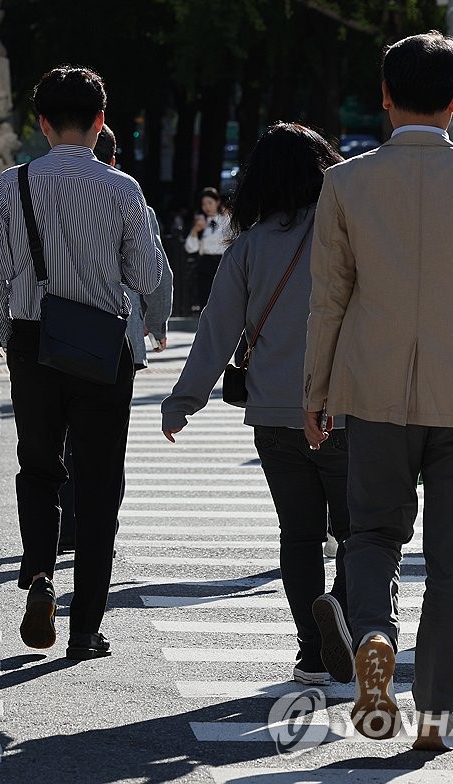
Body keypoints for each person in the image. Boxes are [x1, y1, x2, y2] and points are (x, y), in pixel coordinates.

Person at [304, 31, 453, 751]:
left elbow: (329, 300)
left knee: (373, 532)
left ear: (384, 95)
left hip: (373, 389)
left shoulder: (344, 183)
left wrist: (314, 391)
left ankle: (375, 634)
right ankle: (436, 710)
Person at [0, 66, 163, 660]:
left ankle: (37, 575)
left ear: (42, 123)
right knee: (100, 482)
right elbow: (147, 274)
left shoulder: (13, 185)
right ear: (101, 120)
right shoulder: (122, 189)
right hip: (103, 346)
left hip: (34, 341)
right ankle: (86, 627)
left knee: (38, 467)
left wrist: (7, 333)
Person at [163, 122, 350, 686]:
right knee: (360, 532)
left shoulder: (247, 247)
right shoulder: (348, 235)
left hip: (274, 414)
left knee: (298, 535)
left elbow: (217, 330)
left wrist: (184, 400)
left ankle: (311, 652)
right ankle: (342, 607)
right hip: (347, 408)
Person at [56, 123, 173, 553]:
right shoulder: (128, 194)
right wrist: (157, 321)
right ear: (114, 157)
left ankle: (66, 524)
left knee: (64, 433)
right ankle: (100, 523)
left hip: (57, 331)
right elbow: (156, 270)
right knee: (107, 439)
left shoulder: (45, 189)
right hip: (117, 333)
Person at [183, 186, 229, 310]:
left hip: (224, 262)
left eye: (210, 203)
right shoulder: (200, 222)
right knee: (205, 300)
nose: (207, 207)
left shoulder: (227, 220)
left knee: (224, 299)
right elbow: (190, 247)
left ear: (217, 202)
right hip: (205, 263)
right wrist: (195, 230)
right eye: (204, 204)